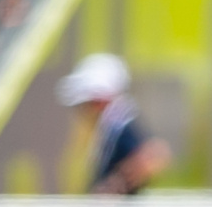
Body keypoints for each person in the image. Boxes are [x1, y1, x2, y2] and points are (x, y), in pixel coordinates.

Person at [55, 53, 169, 194]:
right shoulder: (114, 127)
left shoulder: (123, 128)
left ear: (100, 99)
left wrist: (114, 186)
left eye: (88, 103)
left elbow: (154, 154)